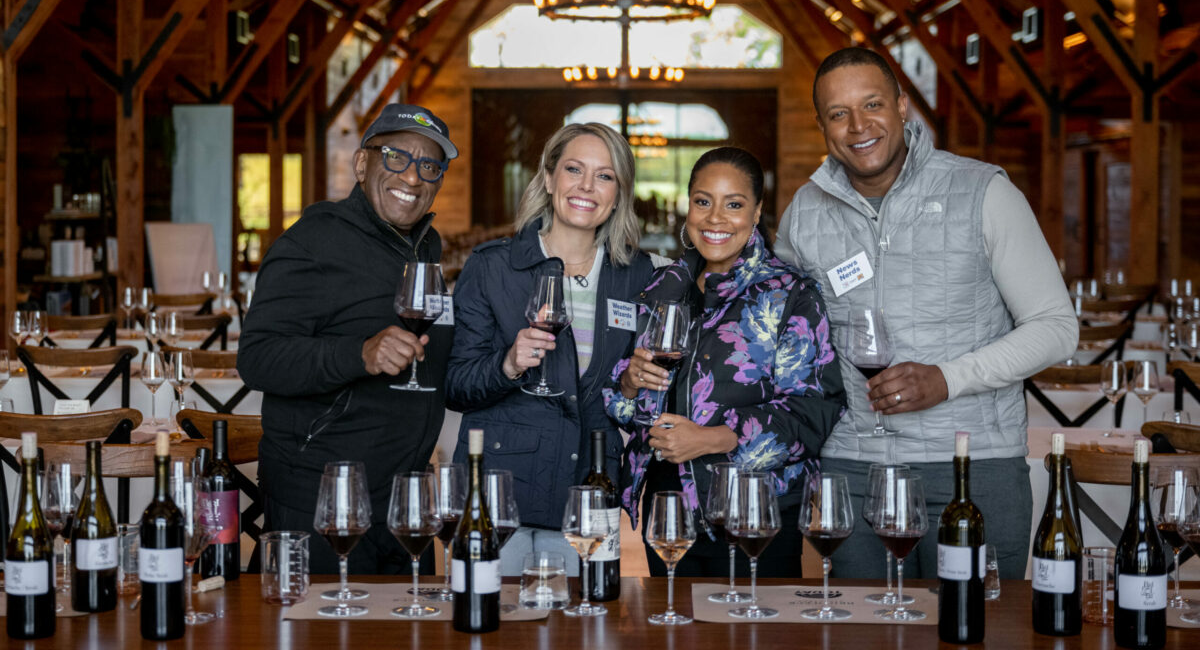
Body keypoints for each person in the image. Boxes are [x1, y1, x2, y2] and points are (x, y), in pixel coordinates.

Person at [775, 47, 1078, 580]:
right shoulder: (805, 212)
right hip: (851, 468)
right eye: (838, 113)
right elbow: (780, 337)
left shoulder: (984, 191)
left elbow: (1056, 329)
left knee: (973, 631)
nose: (858, 126)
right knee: (862, 637)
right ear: (821, 124)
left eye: (872, 104)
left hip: (971, 466)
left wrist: (948, 378)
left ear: (901, 105)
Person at [605, 147, 846, 577]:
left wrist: (714, 438)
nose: (715, 218)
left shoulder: (790, 294)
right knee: (672, 632)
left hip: (754, 513)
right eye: (703, 201)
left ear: (756, 213)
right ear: (688, 207)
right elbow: (625, 408)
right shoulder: (662, 287)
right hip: (667, 508)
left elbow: (813, 413)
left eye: (733, 204)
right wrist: (627, 383)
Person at [239, 104, 457, 575]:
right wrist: (359, 354)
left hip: (402, 496)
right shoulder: (312, 242)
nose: (413, 177)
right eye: (397, 157)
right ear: (363, 164)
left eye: (429, 165)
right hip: (324, 496)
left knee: (402, 633)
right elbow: (257, 358)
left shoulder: (427, 245)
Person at [446, 122, 656, 575]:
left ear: (619, 193)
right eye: (573, 169)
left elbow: (637, 390)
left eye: (604, 176)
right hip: (501, 494)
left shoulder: (637, 275)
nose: (586, 186)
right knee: (493, 626)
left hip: (591, 488)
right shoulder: (492, 266)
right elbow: (456, 387)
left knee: (588, 625)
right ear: (548, 178)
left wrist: (632, 385)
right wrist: (506, 363)